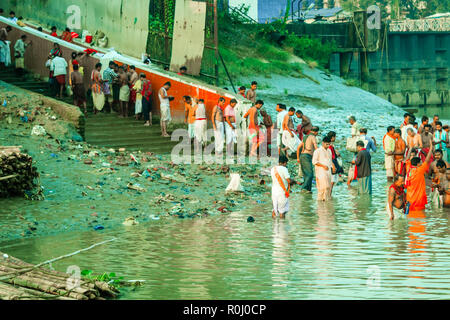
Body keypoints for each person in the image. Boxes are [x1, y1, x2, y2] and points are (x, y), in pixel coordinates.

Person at [405, 147, 433, 211]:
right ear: (418, 164)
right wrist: (431, 149)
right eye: (421, 162)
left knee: (411, 217)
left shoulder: (409, 168)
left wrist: (410, 148)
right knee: (420, 218)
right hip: (419, 201)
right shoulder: (420, 170)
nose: (421, 163)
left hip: (409, 199)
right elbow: (427, 160)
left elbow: (407, 158)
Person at [312, 136, 334, 201]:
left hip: (328, 171)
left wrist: (333, 167)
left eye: (329, 144)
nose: (328, 146)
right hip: (320, 171)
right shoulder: (317, 151)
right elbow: (314, 162)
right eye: (326, 144)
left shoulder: (329, 150)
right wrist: (323, 166)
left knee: (328, 187)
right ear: (323, 143)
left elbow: (330, 160)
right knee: (323, 187)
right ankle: (321, 203)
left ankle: (326, 202)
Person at [299, 126, 319, 193]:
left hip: (302, 156)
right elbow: (316, 147)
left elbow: (298, 147)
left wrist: (298, 158)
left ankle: (308, 189)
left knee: (305, 174)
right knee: (310, 174)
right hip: (307, 156)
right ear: (316, 132)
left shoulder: (305, 137)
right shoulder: (313, 137)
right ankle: (304, 188)